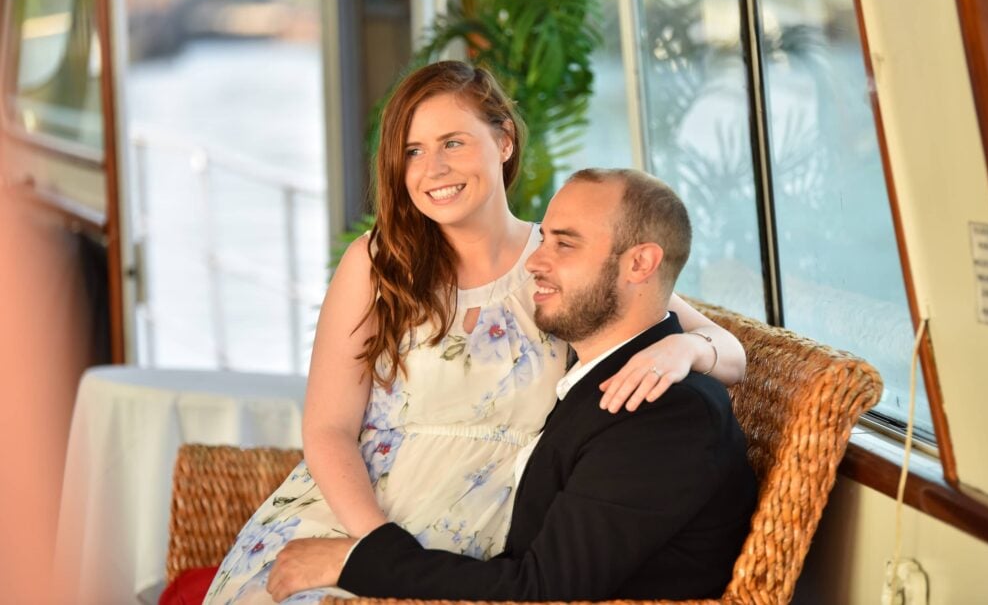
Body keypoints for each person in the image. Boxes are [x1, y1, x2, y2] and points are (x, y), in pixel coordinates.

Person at [205, 63, 746, 604]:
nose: (432, 168)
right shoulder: (377, 263)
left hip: (487, 537)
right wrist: (376, 549)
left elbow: (729, 353)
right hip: (364, 517)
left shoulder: (556, 263)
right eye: (412, 151)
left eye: (453, 143)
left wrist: (686, 347)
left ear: (504, 141)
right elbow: (327, 429)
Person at [269, 169, 758, 602]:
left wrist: (356, 563)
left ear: (639, 265)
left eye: (564, 244)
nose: (534, 262)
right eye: (542, 239)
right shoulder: (602, 382)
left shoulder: (664, 417)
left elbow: (539, 593)